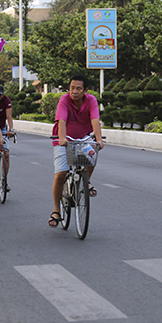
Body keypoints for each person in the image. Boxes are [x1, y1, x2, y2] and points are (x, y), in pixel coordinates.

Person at [49, 74, 104, 228]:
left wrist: (99, 140)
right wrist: (62, 139)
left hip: (83, 137)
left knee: (93, 152)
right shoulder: (64, 100)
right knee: (61, 173)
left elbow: (95, 120)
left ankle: (87, 179)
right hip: (64, 138)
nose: (74, 91)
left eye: (78, 88)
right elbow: (62, 121)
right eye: (72, 88)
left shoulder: (91, 100)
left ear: (85, 90)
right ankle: (56, 209)